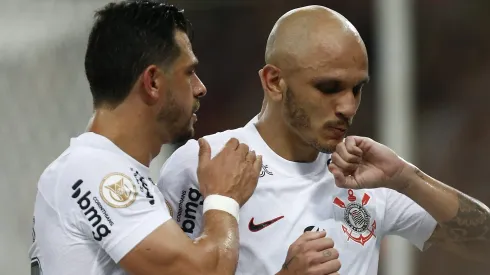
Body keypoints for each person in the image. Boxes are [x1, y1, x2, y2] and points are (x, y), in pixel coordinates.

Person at [158, 5, 490, 275]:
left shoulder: (369, 176)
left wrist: (406, 178)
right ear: (274, 82)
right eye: (329, 88)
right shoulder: (204, 163)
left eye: (357, 89)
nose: (347, 106)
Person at [28, 1, 263, 275]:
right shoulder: (97, 172)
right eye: (189, 73)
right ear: (152, 82)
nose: (200, 88)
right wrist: (223, 198)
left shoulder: (109, 171)